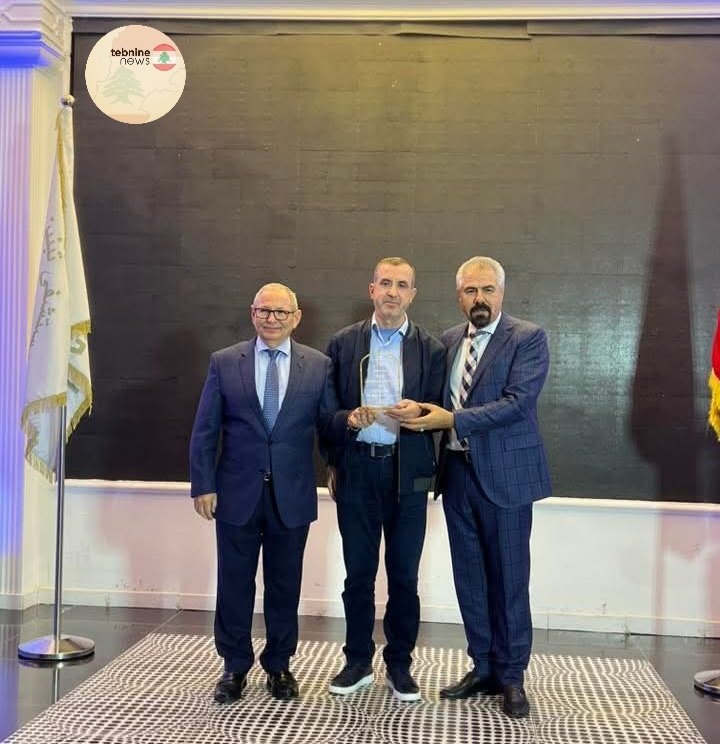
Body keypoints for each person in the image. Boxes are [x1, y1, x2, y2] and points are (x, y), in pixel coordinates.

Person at [402, 256, 551, 718]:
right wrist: (412, 411)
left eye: (487, 290)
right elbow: (438, 403)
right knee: (470, 578)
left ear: (501, 293)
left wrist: (453, 419)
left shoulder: (528, 338)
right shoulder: (448, 341)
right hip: (457, 476)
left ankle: (512, 676)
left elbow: (518, 403)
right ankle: (483, 666)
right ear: (459, 296)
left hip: (506, 478)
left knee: (509, 579)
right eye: (471, 291)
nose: (479, 298)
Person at [189, 283, 337, 704]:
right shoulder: (224, 362)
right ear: (252, 313)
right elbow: (205, 430)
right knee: (234, 584)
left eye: (280, 312)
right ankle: (234, 666)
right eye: (264, 311)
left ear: (296, 317)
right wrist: (203, 484)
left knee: (285, 585)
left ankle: (280, 665)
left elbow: (327, 426)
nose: (272, 319)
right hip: (235, 493)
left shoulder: (318, 365)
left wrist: (336, 467)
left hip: (292, 495)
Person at [324, 257, 445, 702]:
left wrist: (419, 412)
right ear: (371, 289)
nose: (393, 292)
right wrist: (347, 421)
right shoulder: (343, 343)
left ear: (412, 294)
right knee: (358, 574)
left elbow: (441, 412)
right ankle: (357, 662)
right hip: (357, 469)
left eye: (402, 285)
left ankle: (399, 666)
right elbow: (326, 411)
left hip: (408, 474)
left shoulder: (431, 349)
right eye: (385, 283)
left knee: (404, 577)